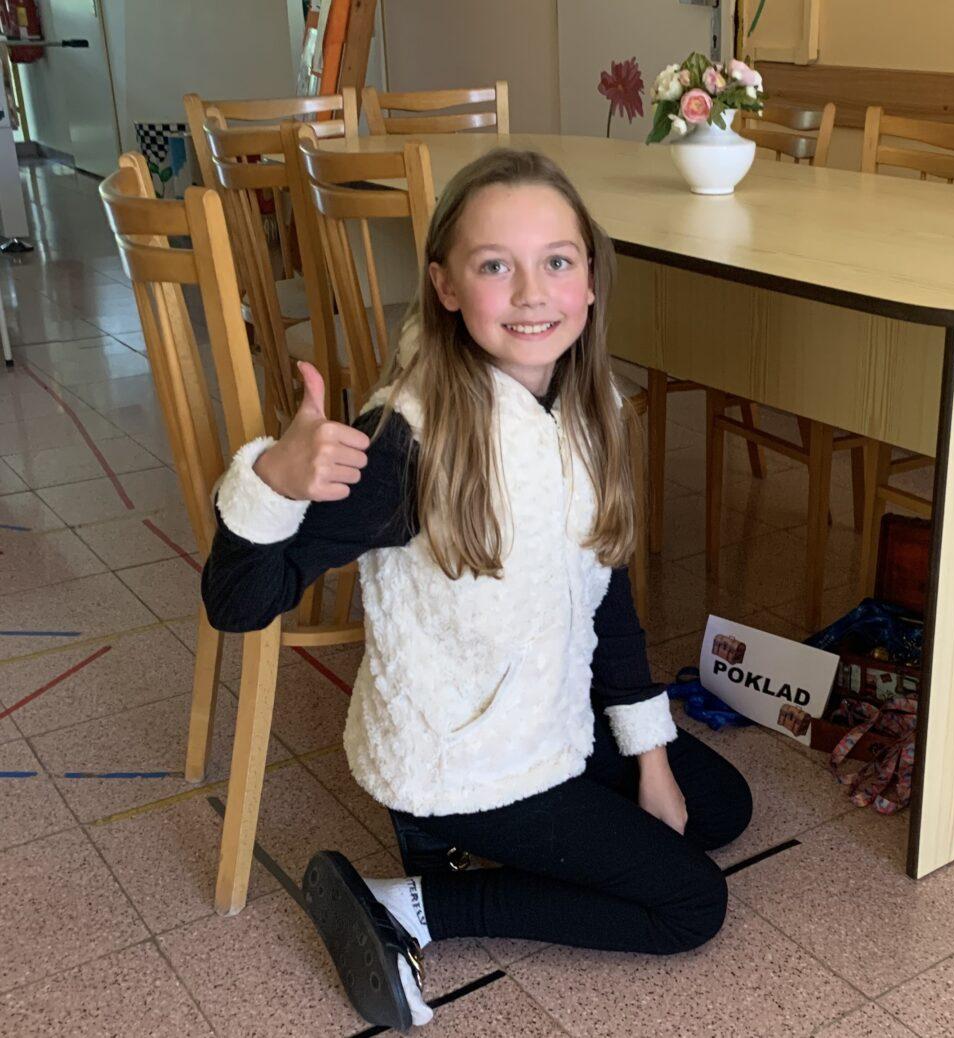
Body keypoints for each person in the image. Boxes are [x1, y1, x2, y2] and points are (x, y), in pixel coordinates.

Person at [202, 148, 752, 1031]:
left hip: (546, 713)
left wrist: (651, 759)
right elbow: (236, 603)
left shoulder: (593, 409)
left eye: (557, 262)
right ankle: (415, 903)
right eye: (496, 266)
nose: (532, 294)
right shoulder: (409, 441)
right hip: (463, 758)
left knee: (720, 805)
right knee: (692, 904)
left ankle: (465, 846)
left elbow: (607, 603)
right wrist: (270, 482)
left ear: (591, 280)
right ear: (446, 286)